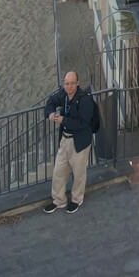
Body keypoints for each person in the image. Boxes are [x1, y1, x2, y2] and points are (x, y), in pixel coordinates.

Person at [43, 71, 94, 213]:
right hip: (65, 140)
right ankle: (58, 200)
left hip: (80, 142)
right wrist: (50, 113)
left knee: (79, 173)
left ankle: (77, 199)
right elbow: (51, 101)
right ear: (63, 84)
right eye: (67, 83)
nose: (69, 86)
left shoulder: (85, 100)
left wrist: (63, 120)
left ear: (77, 83)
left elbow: (83, 123)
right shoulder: (63, 94)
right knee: (59, 171)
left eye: (72, 83)